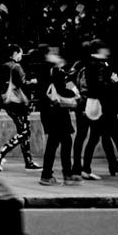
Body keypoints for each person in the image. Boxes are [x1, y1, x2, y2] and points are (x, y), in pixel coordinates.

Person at [77, 42, 118, 179]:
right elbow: (99, 87)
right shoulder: (97, 65)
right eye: (104, 48)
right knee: (112, 138)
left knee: (99, 138)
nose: (107, 51)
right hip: (103, 107)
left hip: (100, 107)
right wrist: (112, 81)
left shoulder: (95, 64)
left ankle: (104, 166)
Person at [0, 46, 35, 171]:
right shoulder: (16, 67)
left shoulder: (3, 66)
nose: (21, 56)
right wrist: (33, 82)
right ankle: (0, 153)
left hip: (8, 102)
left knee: (23, 130)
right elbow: (23, 83)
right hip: (18, 103)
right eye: (20, 54)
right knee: (25, 132)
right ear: (15, 53)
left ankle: (29, 161)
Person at [38, 45, 80, 185]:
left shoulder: (45, 69)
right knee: (62, 142)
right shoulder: (53, 70)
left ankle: (53, 174)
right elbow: (62, 88)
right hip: (57, 112)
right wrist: (75, 93)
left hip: (51, 111)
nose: (57, 55)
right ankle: (60, 175)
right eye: (53, 53)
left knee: (57, 142)